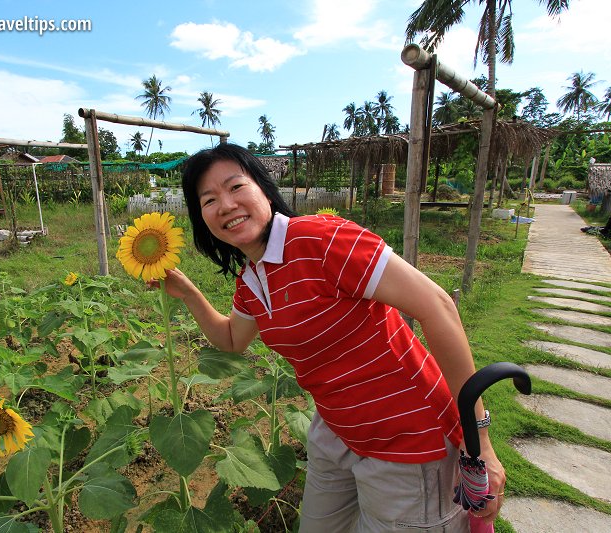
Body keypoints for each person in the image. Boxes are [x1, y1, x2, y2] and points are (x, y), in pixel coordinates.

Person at [155, 143, 505, 532]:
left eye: (236, 186)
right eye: (209, 199)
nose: (225, 204)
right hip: (336, 434)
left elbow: (437, 305)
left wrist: (480, 442)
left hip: (407, 440)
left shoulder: (322, 240)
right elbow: (232, 339)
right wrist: (187, 291)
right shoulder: (252, 280)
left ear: (264, 190)